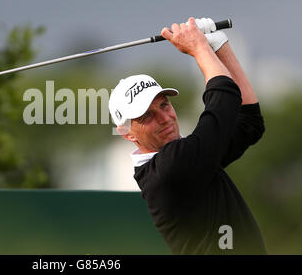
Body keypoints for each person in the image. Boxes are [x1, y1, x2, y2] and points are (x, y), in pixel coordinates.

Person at [108, 17, 267, 254]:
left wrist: (218, 46)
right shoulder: (169, 169)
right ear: (127, 134)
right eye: (146, 117)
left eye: (164, 105)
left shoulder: (189, 158)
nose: (164, 118)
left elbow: (248, 121)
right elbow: (223, 98)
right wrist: (199, 48)